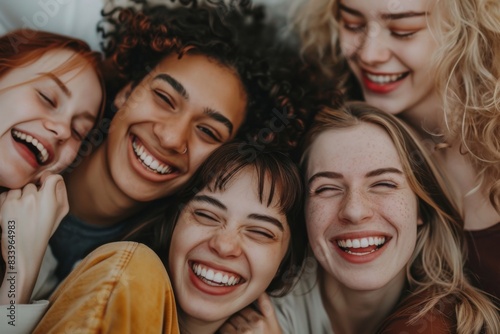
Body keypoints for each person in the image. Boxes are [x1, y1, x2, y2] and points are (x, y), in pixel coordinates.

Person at [44, 0, 316, 288]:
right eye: (164, 99)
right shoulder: (24, 143)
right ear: (127, 91)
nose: (171, 138)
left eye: (208, 132)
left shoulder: (165, 271)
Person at [219, 102, 499, 334]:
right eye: (327, 188)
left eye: (383, 184)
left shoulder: (461, 323)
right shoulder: (253, 312)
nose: (354, 211)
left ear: (421, 210)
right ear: (303, 211)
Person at [290, 0, 500, 301]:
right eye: (352, 24)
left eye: (403, 30)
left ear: (467, 31)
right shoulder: (327, 134)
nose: (368, 54)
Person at [33, 142, 307, 333]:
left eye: (260, 232)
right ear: (174, 223)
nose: (224, 246)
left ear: (283, 262)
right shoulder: (125, 271)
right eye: (207, 215)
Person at [0, 29, 105, 333]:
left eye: (78, 131)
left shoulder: (41, 270)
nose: (61, 130)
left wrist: (19, 273)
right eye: (47, 97)